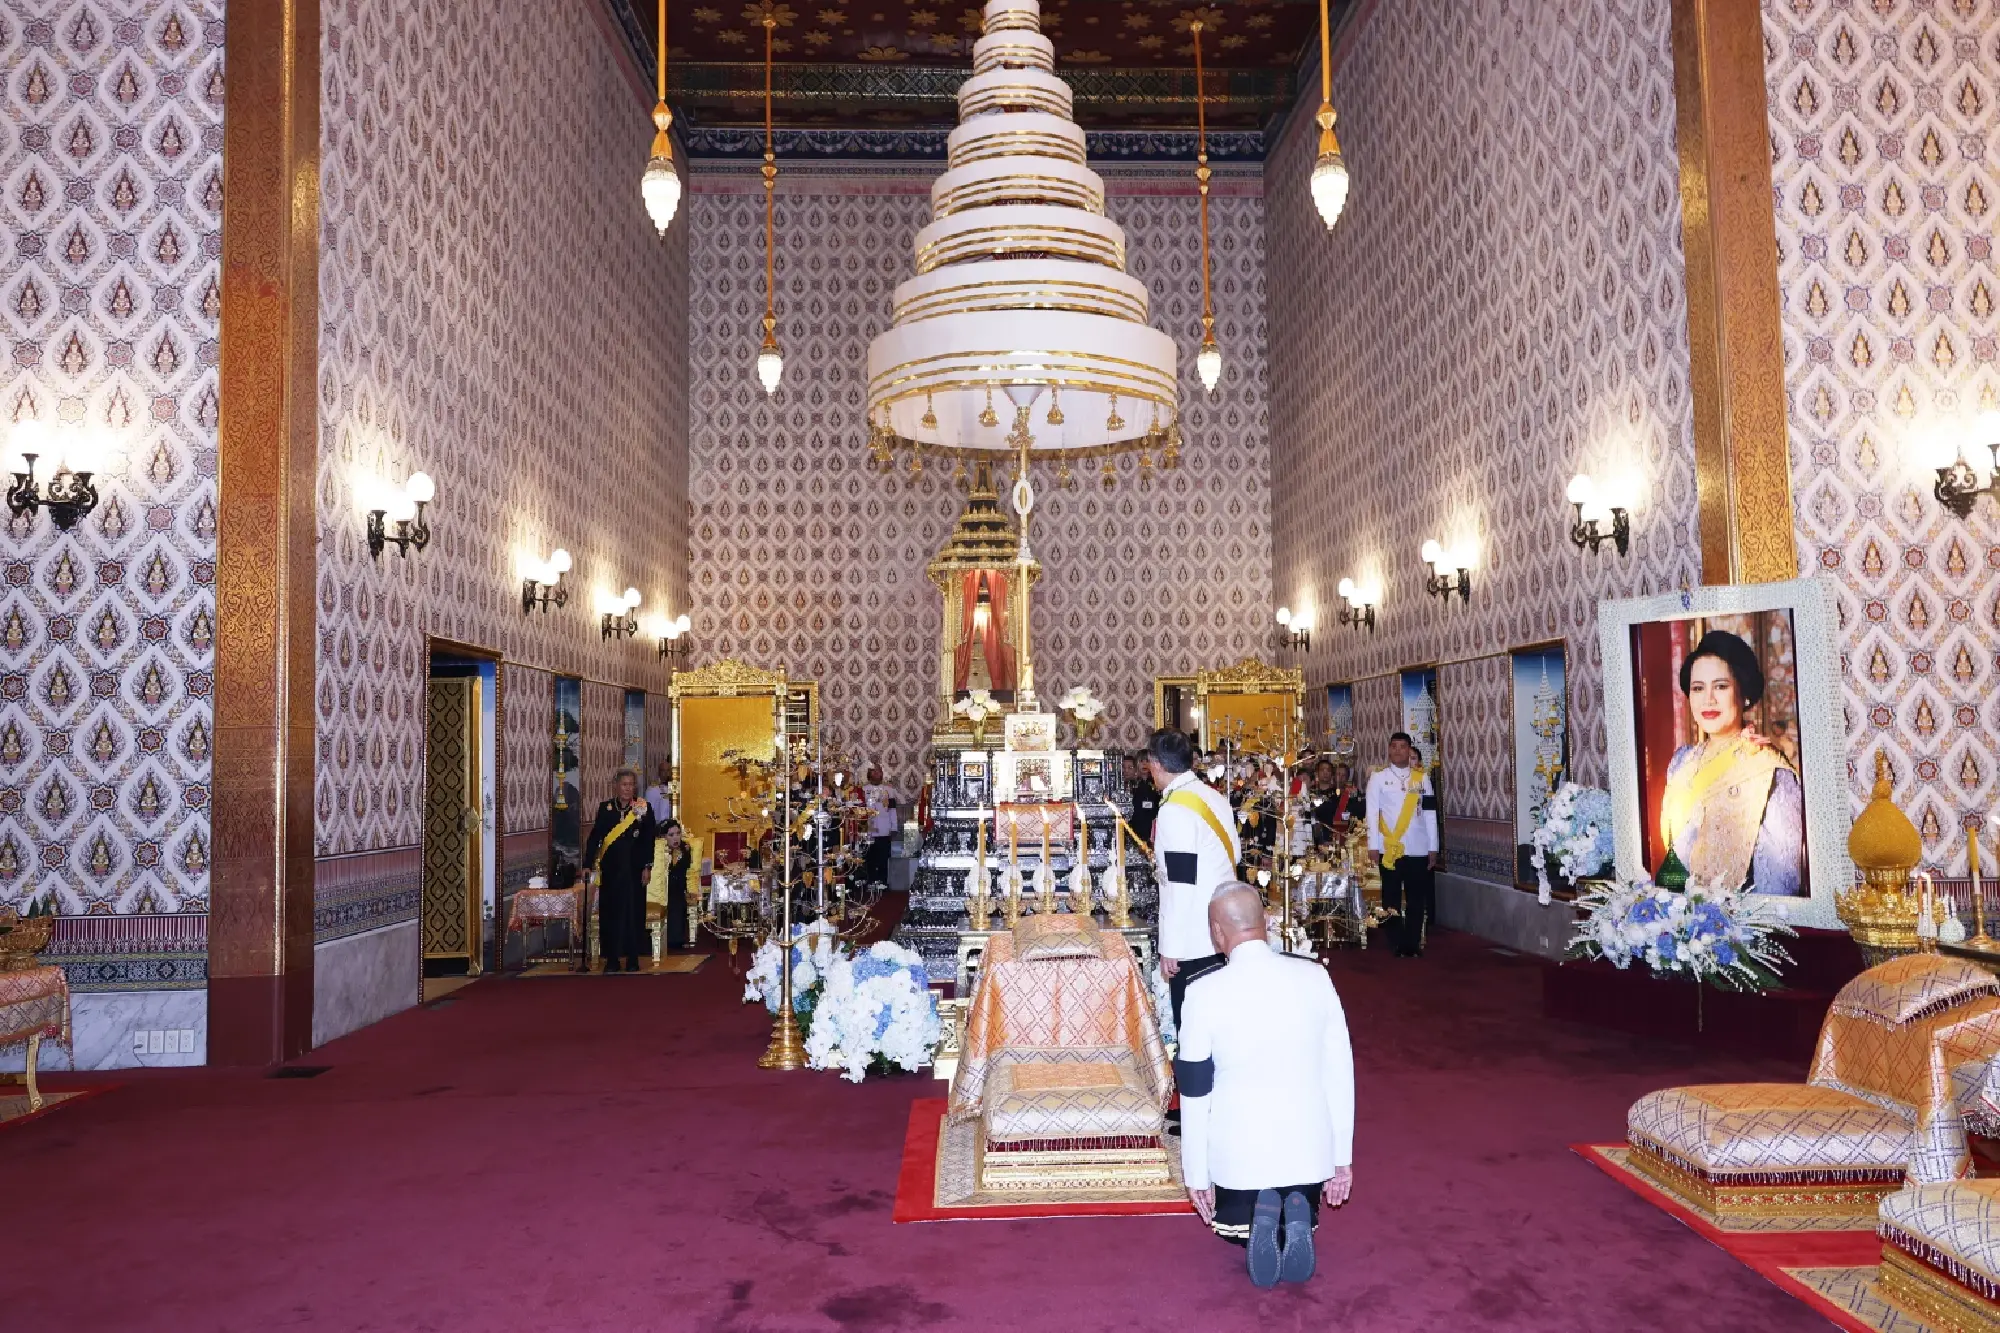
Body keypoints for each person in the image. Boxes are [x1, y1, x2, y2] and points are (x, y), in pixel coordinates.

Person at [1179, 884, 1355, 1287]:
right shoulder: (1315, 977)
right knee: (1299, 1178)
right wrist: (1339, 1157)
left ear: (1216, 933)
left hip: (1240, 1156)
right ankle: (1297, 1209)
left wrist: (1197, 1174)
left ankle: (1257, 1214)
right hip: (1307, 1149)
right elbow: (1339, 1071)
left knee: (1231, 1226)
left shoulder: (1202, 992)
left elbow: (1194, 1091)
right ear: (1266, 923)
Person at [1660, 629, 1805, 894]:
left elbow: (1780, 886)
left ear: (1744, 694)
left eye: (1721, 686)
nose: (1709, 699)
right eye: (1698, 688)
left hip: (1736, 927)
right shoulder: (1681, 762)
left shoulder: (1769, 771)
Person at [1147, 728, 1240, 1030]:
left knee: (1192, 1028)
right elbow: (1235, 855)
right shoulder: (1213, 796)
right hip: (1224, 927)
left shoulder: (1175, 809)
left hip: (1195, 937)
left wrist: (1171, 946)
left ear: (1157, 764)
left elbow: (1180, 883)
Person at [1366, 733, 1437, 958]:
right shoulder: (1378, 778)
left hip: (1417, 846)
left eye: (1403, 747)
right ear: (1389, 750)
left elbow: (1430, 813)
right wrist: (1373, 846)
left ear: (1409, 751)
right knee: (1391, 898)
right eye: (1394, 746)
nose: (1398, 751)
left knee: (1417, 898)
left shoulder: (1421, 779)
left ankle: (1412, 943)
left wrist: (1433, 846)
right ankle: (1396, 942)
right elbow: (1372, 814)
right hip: (1390, 848)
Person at [584, 768, 657, 972]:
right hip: (612, 871)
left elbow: (648, 840)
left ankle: (633, 957)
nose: (627, 788)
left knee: (634, 913)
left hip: (635, 870)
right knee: (611, 914)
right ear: (616, 786)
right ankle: (612, 959)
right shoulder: (606, 808)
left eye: (631, 784)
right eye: (624, 784)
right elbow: (595, 838)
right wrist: (587, 864)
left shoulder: (643, 807)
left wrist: (647, 866)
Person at [862, 764, 901, 890]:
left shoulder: (888, 790)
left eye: (879, 772)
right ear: (869, 774)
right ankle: (871, 882)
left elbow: (892, 810)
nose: (877, 774)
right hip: (869, 830)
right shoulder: (863, 789)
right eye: (874, 772)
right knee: (870, 858)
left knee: (884, 858)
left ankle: (883, 881)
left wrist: (894, 827)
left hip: (885, 829)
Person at [1309, 760, 1365, 848]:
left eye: (1328, 770)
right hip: (1312, 838)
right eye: (1322, 770)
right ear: (1317, 773)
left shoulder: (1341, 795)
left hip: (1334, 839)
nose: (1325, 773)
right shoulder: (1309, 793)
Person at [660, 820, 694, 950]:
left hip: (678, 887)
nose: (676, 838)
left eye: (678, 834)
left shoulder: (684, 849)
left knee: (676, 897)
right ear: (663, 837)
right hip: (659, 887)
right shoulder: (658, 851)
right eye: (671, 835)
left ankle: (676, 939)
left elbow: (685, 872)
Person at [1125, 754, 1161, 848]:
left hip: (1153, 826)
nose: (1144, 764)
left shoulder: (1158, 783)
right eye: (1141, 761)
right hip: (1135, 826)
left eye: (1147, 761)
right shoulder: (1131, 785)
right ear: (1136, 765)